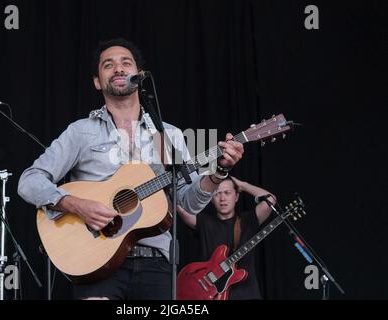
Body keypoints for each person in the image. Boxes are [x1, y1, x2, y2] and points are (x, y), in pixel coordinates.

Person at [17, 38, 244, 300]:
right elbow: (29, 181)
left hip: (157, 263)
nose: (119, 68)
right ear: (97, 81)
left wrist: (219, 173)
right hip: (96, 263)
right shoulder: (80, 132)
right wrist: (75, 204)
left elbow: (188, 203)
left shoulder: (168, 135)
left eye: (126, 63)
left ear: (139, 76)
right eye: (108, 65)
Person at [177, 176, 276, 300]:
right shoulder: (204, 221)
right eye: (217, 193)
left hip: (247, 294)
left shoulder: (248, 221)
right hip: (213, 296)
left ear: (236, 197)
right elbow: (179, 206)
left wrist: (243, 185)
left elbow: (270, 200)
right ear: (211, 198)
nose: (222, 198)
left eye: (227, 193)